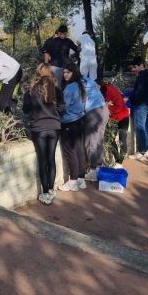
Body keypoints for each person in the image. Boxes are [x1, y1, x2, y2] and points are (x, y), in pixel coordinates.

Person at [23, 64, 64, 205]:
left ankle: (45, 192)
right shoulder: (56, 89)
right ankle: (51, 190)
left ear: (38, 73)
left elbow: (25, 110)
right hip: (54, 127)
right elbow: (62, 107)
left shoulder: (32, 90)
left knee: (42, 160)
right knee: (51, 158)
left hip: (38, 128)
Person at [58, 62, 87, 192]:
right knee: (79, 150)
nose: (65, 75)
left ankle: (73, 181)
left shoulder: (69, 88)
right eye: (64, 72)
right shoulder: (80, 86)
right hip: (80, 120)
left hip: (69, 122)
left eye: (68, 72)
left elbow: (63, 107)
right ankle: (81, 179)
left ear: (73, 73)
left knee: (70, 152)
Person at [126, 57, 148, 160]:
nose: (134, 69)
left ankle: (142, 151)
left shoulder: (142, 76)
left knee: (140, 128)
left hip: (142, 105)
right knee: (145, 127)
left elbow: (139, 92)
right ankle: (146, 150)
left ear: (141, 65)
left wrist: (129, 98)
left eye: (135, 67)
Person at [81, 77, 109, 182]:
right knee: (99, 141)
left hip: (93, 113)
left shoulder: (78, 85)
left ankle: (93, 170)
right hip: (103, 110)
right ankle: (98, 166)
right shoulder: (90, 81)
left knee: (91, 142)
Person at [99, 80, 130, 161]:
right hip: (112, 118)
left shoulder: (111, 90)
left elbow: (119, 105)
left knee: (122, 138)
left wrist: (107, 108)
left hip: (122, 116)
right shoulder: (99, 93)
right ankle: (117, 159)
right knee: (110, 140)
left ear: (99, 85)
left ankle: (121, 160)